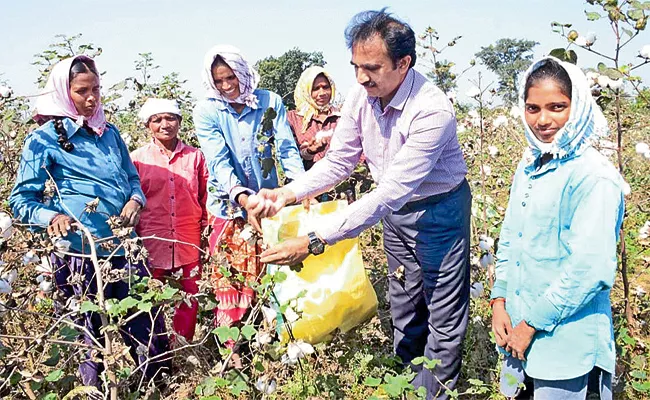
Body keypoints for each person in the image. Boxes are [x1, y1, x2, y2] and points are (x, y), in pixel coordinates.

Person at [249, 9, 471, 399]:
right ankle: (408, 385)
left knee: (444, 315)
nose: (361, 77)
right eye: (355, 66)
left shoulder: (431, 110)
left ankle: (432, 393)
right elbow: (340, 160)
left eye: (372, 67)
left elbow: (390, 192)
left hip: (439, 213)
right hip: (398, 216)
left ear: (403, 63)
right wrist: (287, 194)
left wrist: (315, 239)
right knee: (405, 306)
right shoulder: (360, 96)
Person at [9, 55, 170, 386]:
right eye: (82, 91)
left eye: (96, 89)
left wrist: (135, 200)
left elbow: (131, 179)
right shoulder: (43, 139)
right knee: (86, 336)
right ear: (64, 93)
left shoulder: (109, 132)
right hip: (78, 253)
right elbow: (21, 200)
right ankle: (92, 392)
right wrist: (49, 216)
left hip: (124, 250)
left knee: (147, 327)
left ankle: (157, 388)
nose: (92, 98)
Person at [490, 57, 625, 399]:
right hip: (518, 340)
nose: (543, 120)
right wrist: (499, 300)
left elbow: (589, 269)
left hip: (566, 349)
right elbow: (511, 240)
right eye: (533, 108)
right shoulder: (531, 165)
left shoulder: (593, 177)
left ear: (577, 106)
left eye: (557, 107)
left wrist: (532, 324)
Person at [192, 45, 304, 361]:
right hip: (228, 209)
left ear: (243, 73)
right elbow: (218, 161)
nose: (227, 86)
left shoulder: (270, 102)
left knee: (273, 278)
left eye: (231, 78)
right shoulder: (207, 112)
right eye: (220, 81)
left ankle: (274, 352)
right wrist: (242, 198)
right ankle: (233, 357)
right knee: (231, 283)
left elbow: (286, 149)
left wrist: (300, 189)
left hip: (269, 207)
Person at [131, 98, 209, 343]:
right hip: (151, 242)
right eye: (157, 120)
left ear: (180, 122)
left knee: (188, 298)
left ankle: (181, 346)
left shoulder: (196, 157)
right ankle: (154, 350)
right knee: (148, 299)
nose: (165, 124)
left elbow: (207, 197)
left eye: (170, 118)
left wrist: (206, 236)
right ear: (148, 125)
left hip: (188, 239)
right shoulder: (137, 160)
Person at [286, 66, 339, 170]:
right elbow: (289, 156)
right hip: (308, 181)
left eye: (325, 87)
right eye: (315, 89)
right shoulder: (293, 119)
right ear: (306, 91)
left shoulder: (342, 117)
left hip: (343, 182)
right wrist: (310, 152)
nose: (322, 93)